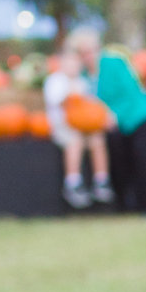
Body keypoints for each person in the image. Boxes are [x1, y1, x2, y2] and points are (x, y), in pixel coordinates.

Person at [42, 28, 112, 208]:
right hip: (63, 126)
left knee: (97, 139)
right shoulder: (56, 81)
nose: (73, 67)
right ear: (61, 63)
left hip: (83, 125)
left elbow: (92, 106)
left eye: (76, 63)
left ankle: (101, 181)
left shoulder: (83, 82)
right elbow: (57, 101)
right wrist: (72, 95)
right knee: (75, 141)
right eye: (69, 63)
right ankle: (73, 183)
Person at [95, 40, 146, 213]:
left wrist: (114, 115)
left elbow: (130, 91)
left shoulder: (111, 62)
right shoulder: (81, 74)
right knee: (118, 161)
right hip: (113, 122)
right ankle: (123, 205)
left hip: (138, 115)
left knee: (141, 157)